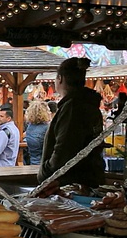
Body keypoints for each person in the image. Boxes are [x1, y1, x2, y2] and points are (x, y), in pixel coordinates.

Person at [38, 57, 105, 189]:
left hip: (69, 184)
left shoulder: (73, 108)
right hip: (86, 179)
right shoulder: (88, 104)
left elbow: (64, 147)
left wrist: (47, 172)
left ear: (60, 78)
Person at [24, 101, 50, 165]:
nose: (50, 112)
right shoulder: (47, 127)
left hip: (33, 160)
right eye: (48, 111)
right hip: (44, 163)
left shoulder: (30, 126)